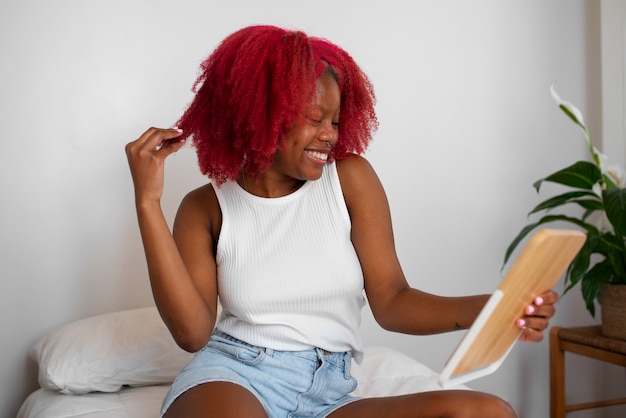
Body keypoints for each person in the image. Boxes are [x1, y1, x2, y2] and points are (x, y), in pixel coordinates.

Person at [125, 25, 557, 418]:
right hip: (236, 376)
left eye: (333, 120)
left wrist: (490, 310)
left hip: (329, 391)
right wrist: (148, 202)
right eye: (314, 120)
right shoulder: (206, 207)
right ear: (261, 116)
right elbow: (191, 333)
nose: (330, 135)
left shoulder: (350, 179)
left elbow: (392, 300)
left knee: (486, 412)